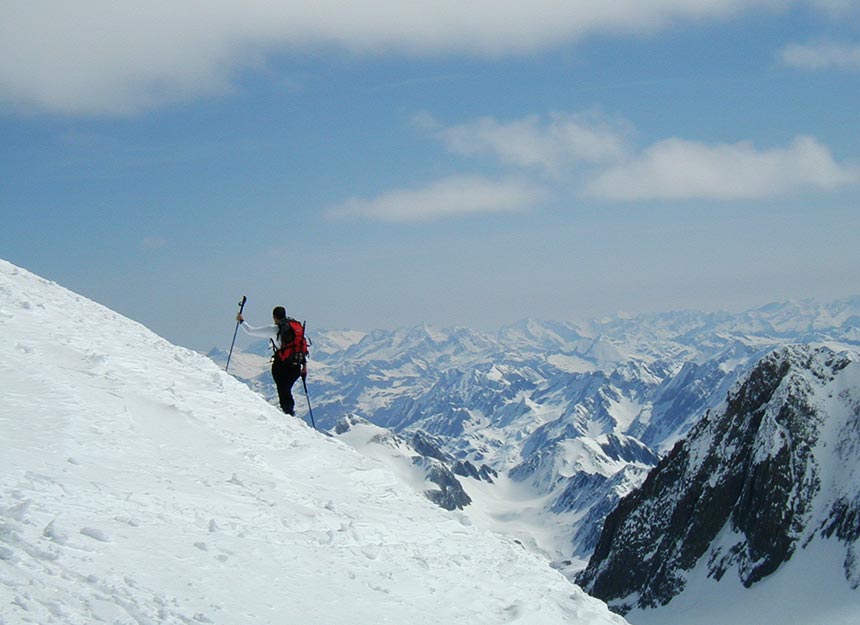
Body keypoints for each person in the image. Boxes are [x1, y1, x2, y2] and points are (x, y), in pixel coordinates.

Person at [236, 306, 307, 416]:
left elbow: (250, 331)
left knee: (282, 388)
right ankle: (289, 411)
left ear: (274, 317)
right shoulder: (296, 329)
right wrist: (304, 366)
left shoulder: (274, 329)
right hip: (297, 366)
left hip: (282, 365)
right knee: (286, 389)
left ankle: (288, 413)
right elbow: (302, 347)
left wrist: (241, 321)